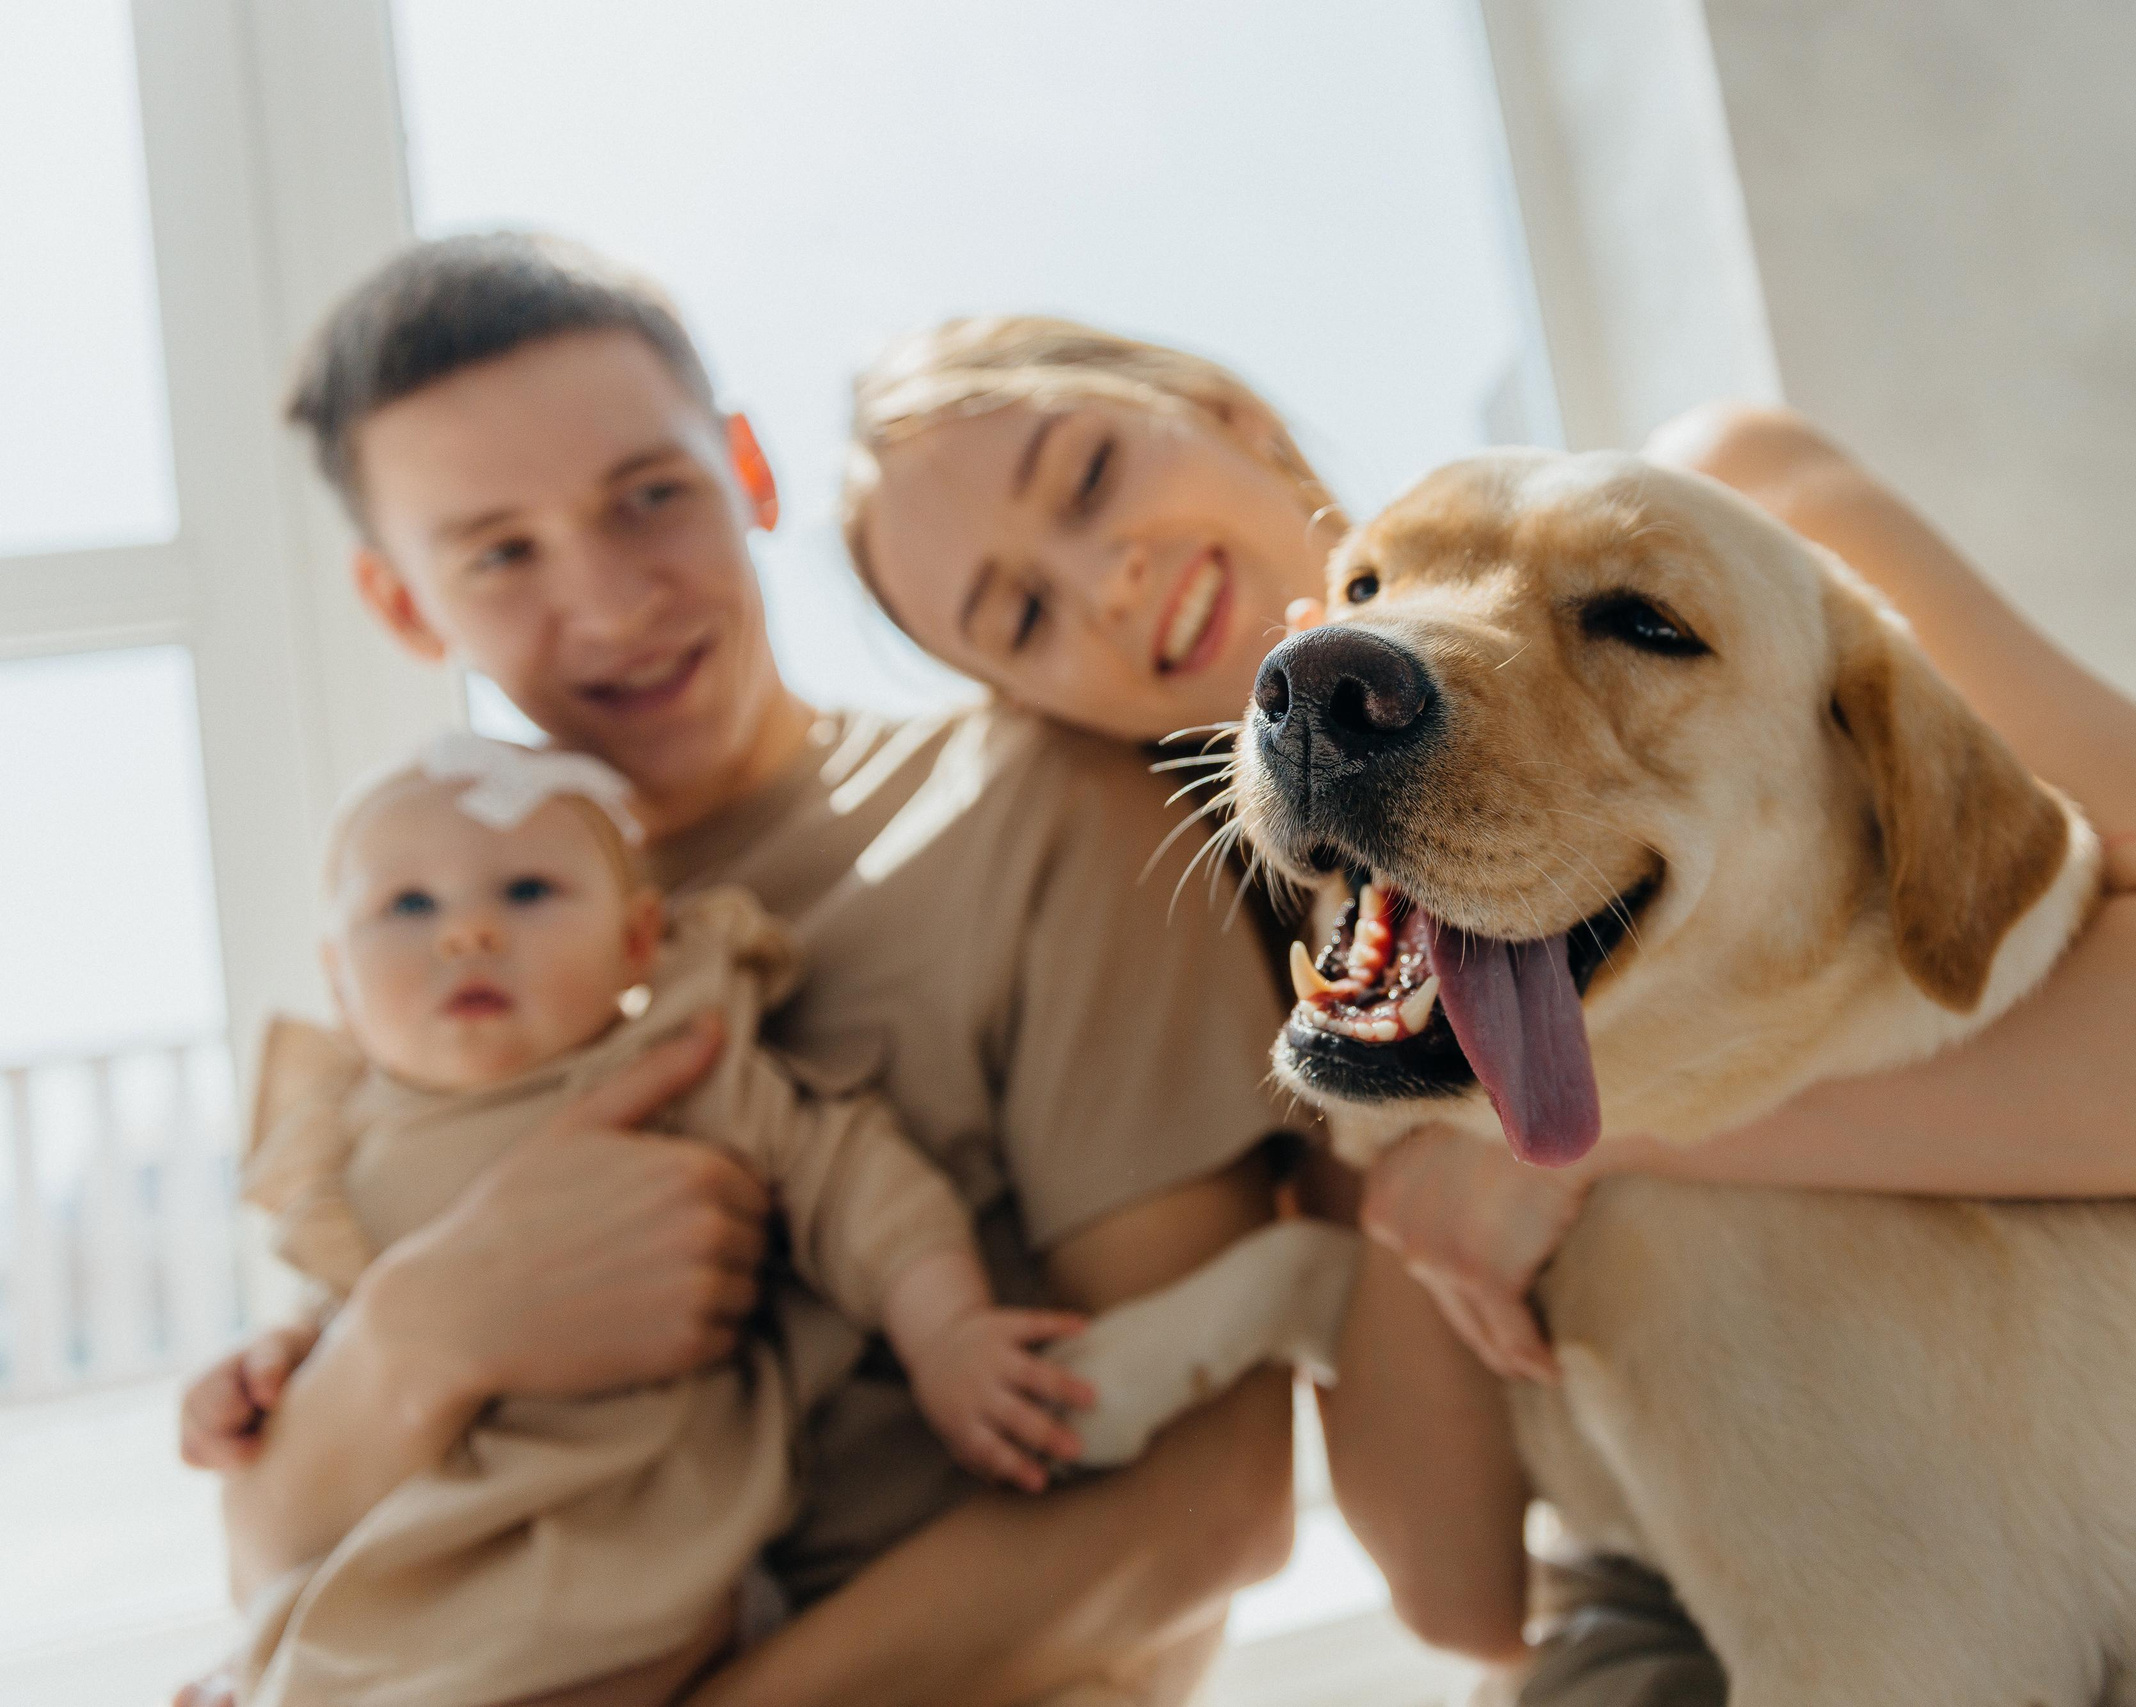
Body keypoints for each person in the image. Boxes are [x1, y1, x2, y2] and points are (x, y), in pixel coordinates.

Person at [838, 315, 2136, 1707]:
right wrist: (1393, 1191)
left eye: (1089, 474)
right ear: (1028, 704)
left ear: (1225, 414)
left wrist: (1600, 1136)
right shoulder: (1311, 970)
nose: (1107, 576)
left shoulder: (1738, 524)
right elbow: (1464, 1590)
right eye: (1025, 615)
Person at [179, 238, 1303, 1707]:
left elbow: (1205, 1508)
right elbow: (273, 1537)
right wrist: (430, 1321)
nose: (608, 598)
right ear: (401, 604)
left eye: (650, 496)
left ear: (748, 470)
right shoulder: (448, 949)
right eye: (500, 551)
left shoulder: (1041, 814)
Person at [228, 735, 1112, 1705]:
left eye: (526, 892)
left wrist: (945, 1331)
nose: (466, 932)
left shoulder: (680, 1070)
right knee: (336, 1660)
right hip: (433, 1550)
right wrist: (260, 1370)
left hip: (632, 1556)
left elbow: (855, 1179)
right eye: (407, 905)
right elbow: (335, 1327)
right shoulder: (344, 1143)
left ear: (638, 940)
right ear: (336, 977)